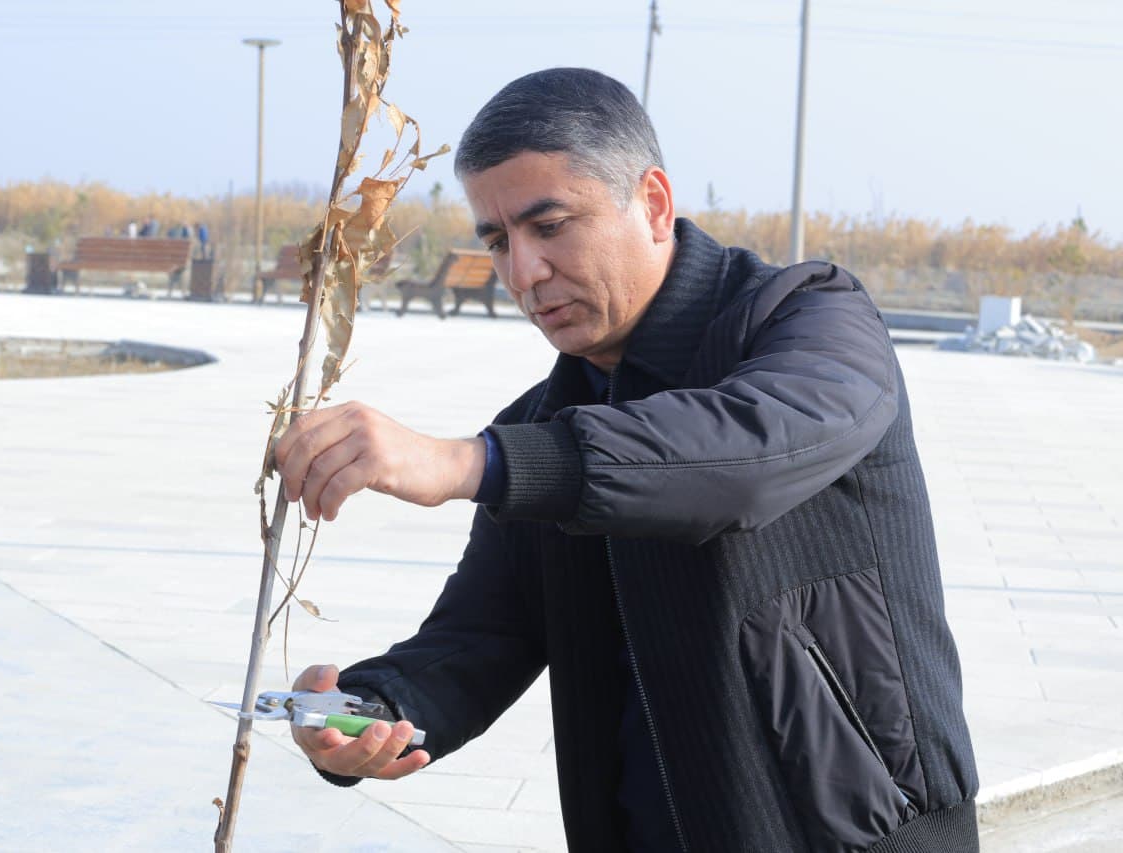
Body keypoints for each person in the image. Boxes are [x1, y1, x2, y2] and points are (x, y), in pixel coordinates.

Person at [274, 67, 979, 851]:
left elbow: (741, 455)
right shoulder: (538, 428)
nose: (523, 273)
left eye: (550, 226)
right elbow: (479, 638)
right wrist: (363, 714)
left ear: (653, 204)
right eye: (498, 241)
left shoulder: (814, 322)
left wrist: (468, 464)